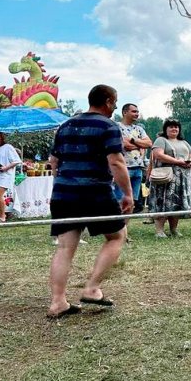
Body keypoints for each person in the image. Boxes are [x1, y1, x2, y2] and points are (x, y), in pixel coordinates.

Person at [46, 84, 132, 319]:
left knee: (65, 247)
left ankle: (57, 302)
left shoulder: (65, 125)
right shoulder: (108, 125)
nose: (115, 106)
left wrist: (61, 184)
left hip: (64, 192)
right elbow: (116, 162)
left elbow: (54, 161)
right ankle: (92, 288)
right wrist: (128, 194)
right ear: (107, 101)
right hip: (94, 191)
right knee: (116, 236)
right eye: (114, 102)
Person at [147, 119, 191, 239]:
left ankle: (174, 229)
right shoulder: (161, 140)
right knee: (162, 202)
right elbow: (158, 155)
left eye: (176, 127)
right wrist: (178, 161)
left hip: (182, 177)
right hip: (165, 177)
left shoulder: (183, 142)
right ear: (166, 129)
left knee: (176, 203)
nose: (174, 129)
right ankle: (159, 230)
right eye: (171, 127)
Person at [116, 103, 152, 213]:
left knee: (132, 201)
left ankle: (125, 228)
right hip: (123, 168)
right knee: (120, 200)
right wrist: (140, 144)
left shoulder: (139, 129)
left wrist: (133, 140)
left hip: (138, 169)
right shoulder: (116, 126)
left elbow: (149, 143)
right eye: (134, 111)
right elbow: (123, 144)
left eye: (137, 111)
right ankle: (116, 226)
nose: (137, 114)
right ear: (124, 112)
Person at [0, 131, 21, 222]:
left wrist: (6, 168)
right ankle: (3, 212)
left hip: (5, 175)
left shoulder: (7, 147)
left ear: (1, 138)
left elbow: (16, 161)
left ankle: (2, 217)